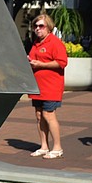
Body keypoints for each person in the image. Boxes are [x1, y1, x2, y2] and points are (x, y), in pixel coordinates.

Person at [28, 13, 68, 159]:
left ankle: (57, 147)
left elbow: (62, 62)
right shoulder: (36, 43)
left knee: (48, 114)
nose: (38, 29)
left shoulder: (55, 43)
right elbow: (34, 59)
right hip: (38, 86)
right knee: (39, 115)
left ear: (49, 27)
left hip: (51, 86)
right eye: (35, 26)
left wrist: (41, 64)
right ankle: (44, 146)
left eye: (41, 26)